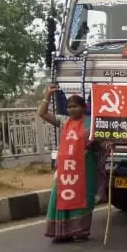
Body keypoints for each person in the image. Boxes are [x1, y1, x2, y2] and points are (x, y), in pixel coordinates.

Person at [38, 85, 108, 243]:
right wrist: (48, 94)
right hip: (66, 170)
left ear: (84, 108)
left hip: (85, 169)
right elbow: (42, 113)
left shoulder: (91, 124)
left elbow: (101, 142)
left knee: (84, 199)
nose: (71, 110)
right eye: (69, 107)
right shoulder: (64, 121)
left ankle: (80, 231)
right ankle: (62, 232)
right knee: (60, 196)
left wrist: (108, 145)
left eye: (75, 106)